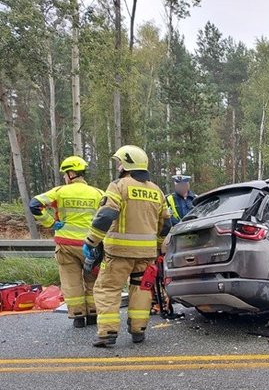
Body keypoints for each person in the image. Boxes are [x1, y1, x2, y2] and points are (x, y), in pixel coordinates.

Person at [84, 145, 171, 347]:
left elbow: (106, 215)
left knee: (108, 288)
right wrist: (157, 247)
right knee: (141, 289)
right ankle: (138, 330)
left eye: (119, 162)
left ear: (126, 164)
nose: (117, 166)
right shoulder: (156, 191)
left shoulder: (119, 186)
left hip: (118, 253)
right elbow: (165, 224)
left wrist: (91, 241)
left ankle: (107, 333)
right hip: (145, 254)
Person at [29, 156, 104, 328]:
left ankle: (78, 316)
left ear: (71, 173)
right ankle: (93, 314)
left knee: (71, 280)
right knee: (93, 278)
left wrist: (51, 223)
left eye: (65, 174)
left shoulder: (60, 191)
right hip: (91, 244)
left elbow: (34, 205)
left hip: (66, 244)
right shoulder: (99, 193)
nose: (64, 177)